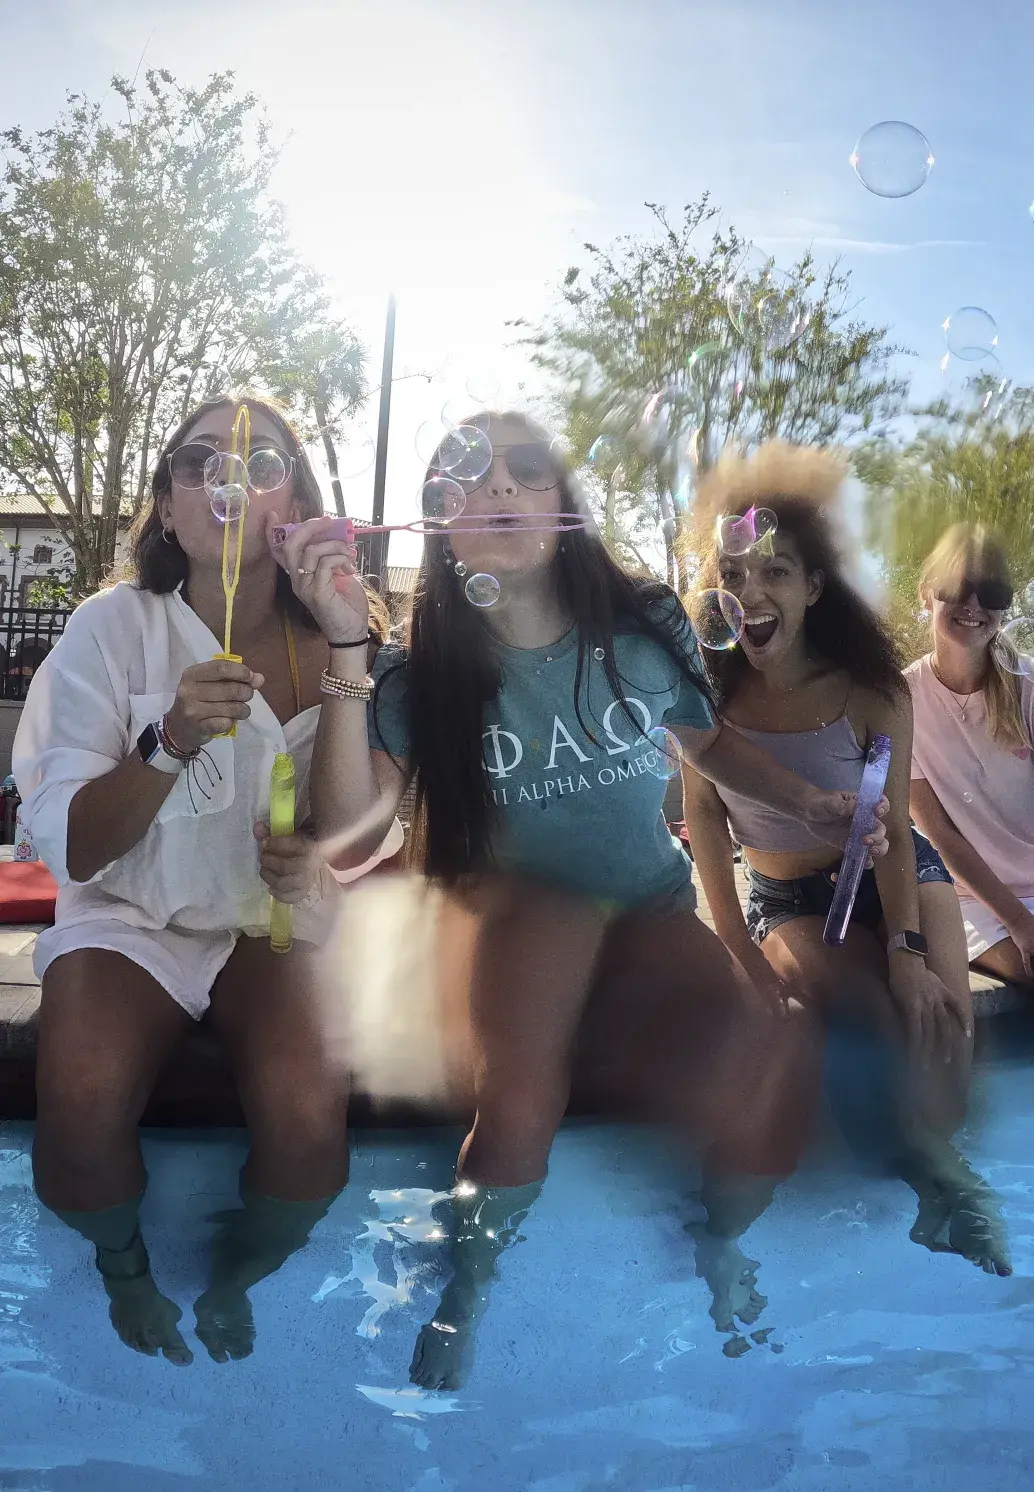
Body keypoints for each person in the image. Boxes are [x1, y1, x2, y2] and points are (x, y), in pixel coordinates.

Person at [291, 410, 890, 1388]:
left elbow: (710, 747)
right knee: (521, 1098)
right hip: (506, 932)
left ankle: (720, 1239)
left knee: (764, 1064)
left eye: (523, 472)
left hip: (646, 915)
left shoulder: (644, 628)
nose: (495, 491)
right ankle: (469, 1283)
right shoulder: (421, 671)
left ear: (562, 508)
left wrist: (811, 799)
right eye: (465, 480)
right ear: (439, 526)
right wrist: (348, 648)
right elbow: (346, 831)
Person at [13, 394, 403, 1365]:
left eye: (260, 459)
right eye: (197, 463)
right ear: (168, 503)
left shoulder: (344, 636)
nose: (225, 480)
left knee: (312, 1124)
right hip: (131, 913)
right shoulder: (111, 630)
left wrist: (348, 647)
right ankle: (123, 1261)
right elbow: (70, 847)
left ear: (298, 501)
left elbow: (360, 836)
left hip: (270, 921)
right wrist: (169, 740)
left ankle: (241, 1267)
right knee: (81, 1093)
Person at [680, 443, 1010, 1278]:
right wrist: (734, 950)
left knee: (943, 1033)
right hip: (788, 898)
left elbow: (893, 825)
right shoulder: (705, 696)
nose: (750, 593)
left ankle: (932, 1175)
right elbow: (705, 825)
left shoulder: (872, 691)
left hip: (900, 877)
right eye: (735, 574)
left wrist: (907, 953)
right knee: (861, 1010)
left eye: (777, 573)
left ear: (814, 588)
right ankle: (941, 1182)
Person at [907, 523, 1034, 991]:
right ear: (926, 595)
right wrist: (1021, 922)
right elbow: (941, 836)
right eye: (958, 586)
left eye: (991, 590)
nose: (973, 604)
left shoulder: (1028, 687)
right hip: (970, 900)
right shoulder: (900, 702)